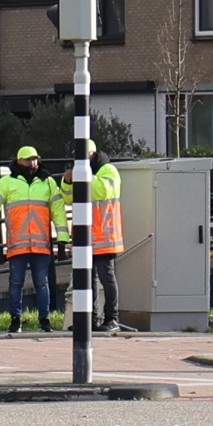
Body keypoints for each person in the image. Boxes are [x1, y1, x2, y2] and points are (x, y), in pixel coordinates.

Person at [0, 146, 69, 333]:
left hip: (40, 244)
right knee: (16, 283)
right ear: (19, 161)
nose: (33, 163)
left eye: (35, 159)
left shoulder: (48, 182)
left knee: (42, 283)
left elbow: (58, 209)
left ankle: (44, 320)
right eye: (29, 160)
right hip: (18, 244)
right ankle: (15, 320)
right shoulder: (7, 182)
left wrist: (63, 235)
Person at [61, 139, 124, 332]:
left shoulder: (108, 170)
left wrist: (83, 175)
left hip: (105, 236)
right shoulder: (85, 173)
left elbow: (101, 192)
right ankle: (92, 319)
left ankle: (112, 319)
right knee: (89, 280)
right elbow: (68, 197)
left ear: (93, 154)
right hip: (86, 238)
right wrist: (67, 181)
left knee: (107, 278)